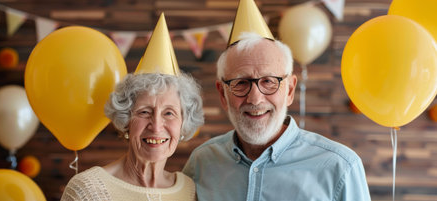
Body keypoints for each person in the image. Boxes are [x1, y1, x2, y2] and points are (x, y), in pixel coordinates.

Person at [183, 0, 371, 199]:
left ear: (289, 89)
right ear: (222, 94)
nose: (255, 99)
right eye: (241, 83)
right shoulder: (201, 162)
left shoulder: (340, 167)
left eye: (269, 81)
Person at [61, 13, 204, 201]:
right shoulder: (87, 189)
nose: (157, 126)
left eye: (169, 113)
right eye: (145, 112)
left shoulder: (190, 191)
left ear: (183, 123)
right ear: (126, 119)